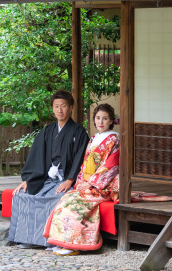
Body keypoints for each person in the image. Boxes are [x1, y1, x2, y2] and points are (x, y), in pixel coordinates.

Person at [7, 90, 89, 248]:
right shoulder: (47, 132)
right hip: (46, 179)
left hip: (66, 180)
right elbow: (36, 157)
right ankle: (28, 239)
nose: (60, 110)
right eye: (56, 106)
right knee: (22, 195)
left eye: (63, 106)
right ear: (52, 109)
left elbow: (80, 158)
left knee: (56, 199)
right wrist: (28, 181)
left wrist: (70, 180)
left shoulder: (78, 132)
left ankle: (50, 241)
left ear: (71, 107)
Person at [44, 103, 120, 255]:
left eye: (105, 118)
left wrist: (91, 184)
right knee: (66, 199)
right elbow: (84, 164)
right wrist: (80, 182)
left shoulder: (114, 139)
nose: (101, 122)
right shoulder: (93, 139)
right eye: (98, 118)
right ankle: (63, 242)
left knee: (75, 205)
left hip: (103, 186)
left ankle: (75, 244)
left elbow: (110, 166)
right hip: (86, 183)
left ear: (111, 121)